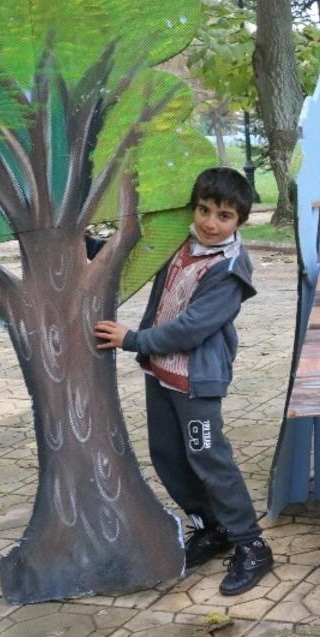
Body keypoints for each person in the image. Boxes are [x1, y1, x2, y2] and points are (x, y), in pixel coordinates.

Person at [93, 167, 271, 596]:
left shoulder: (229, 268)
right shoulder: (179, 245)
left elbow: (193, 326)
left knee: (209, 459)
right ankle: (212, 527)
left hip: (197, 381)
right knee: (168, 456)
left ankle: (252, 544)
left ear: (240, 221)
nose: (210, 222)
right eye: (204, 210)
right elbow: (132, 262)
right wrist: (86, 246)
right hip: (162, 373)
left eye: (224, 216)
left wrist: (133, 340)